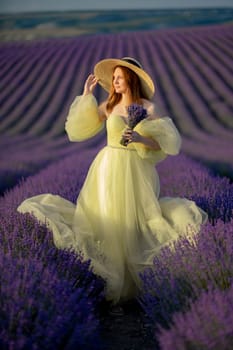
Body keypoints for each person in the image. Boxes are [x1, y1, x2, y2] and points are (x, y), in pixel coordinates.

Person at [17, 57, 207, 311]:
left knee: (135, 220)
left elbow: (164, 145)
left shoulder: (147, 107)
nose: (114, 82)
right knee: (108, 219)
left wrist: (139, 137)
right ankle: (111, 281)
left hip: (136, 170)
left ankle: (142, 284)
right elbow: (79, 129)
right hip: (107, 167)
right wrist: (86, 95)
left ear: (130, 79)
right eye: (114, 77)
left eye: (118, 77)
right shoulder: (109, 105)